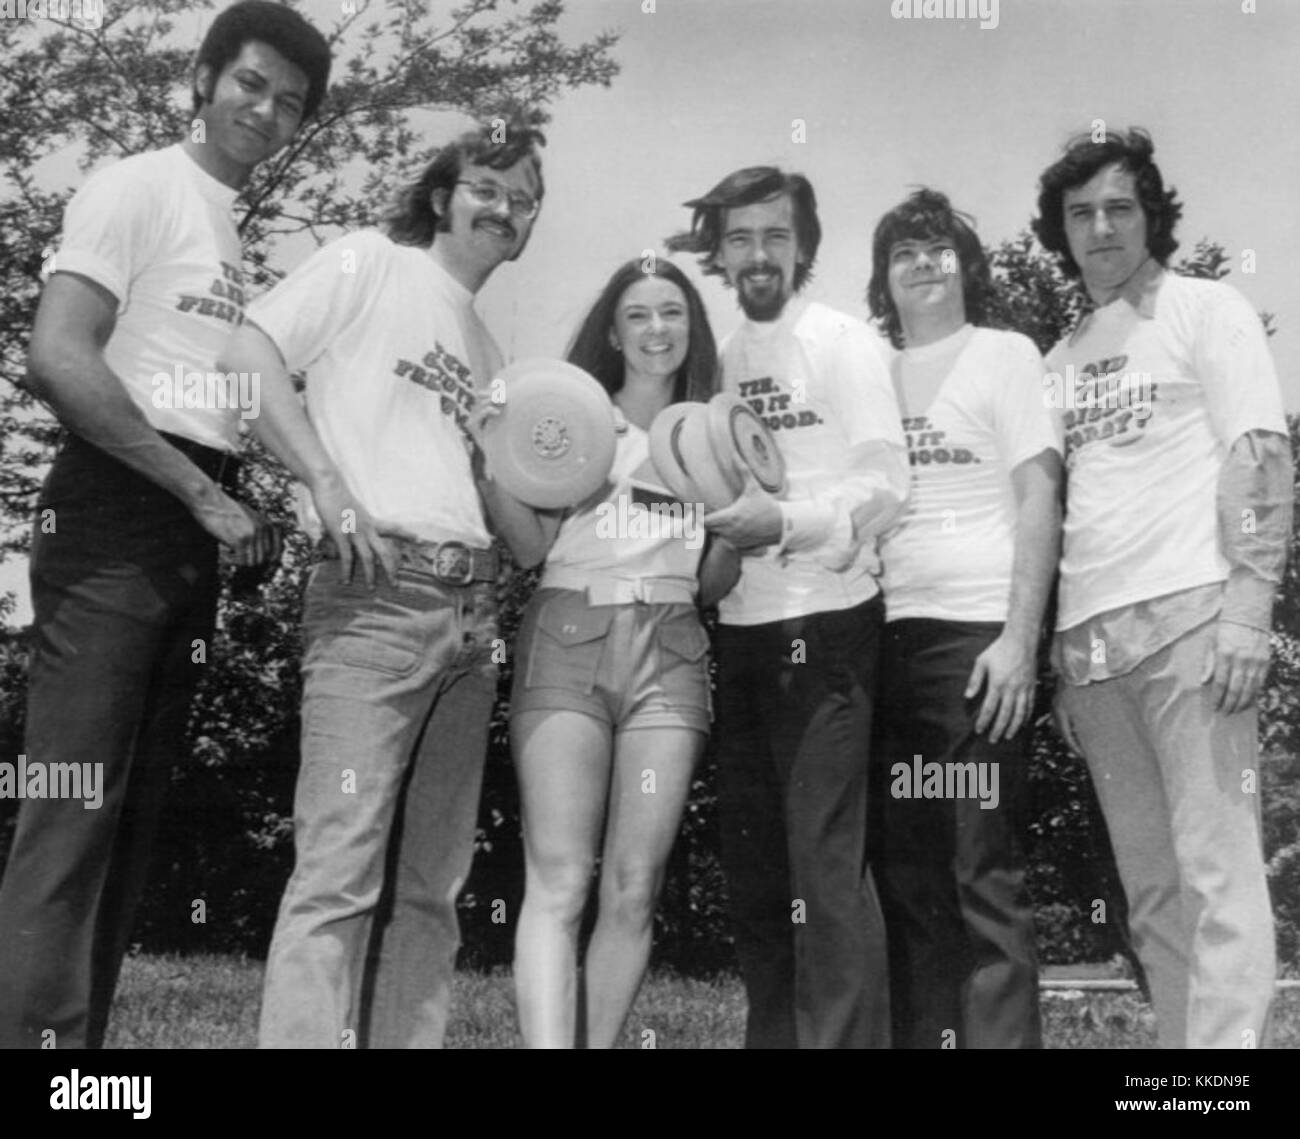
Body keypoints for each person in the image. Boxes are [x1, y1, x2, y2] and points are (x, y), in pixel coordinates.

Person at [0, 1, 329, 1050]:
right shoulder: (137, 184)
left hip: (189, 524)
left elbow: (206, 395)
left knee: (126, 832)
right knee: (69, 823)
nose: (265, 110)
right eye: (250, 83)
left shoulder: (228, 227)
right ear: (202, 76)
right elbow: (60, 354)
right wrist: (197, 493)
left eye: (289, 102)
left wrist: (248, 497)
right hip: (116, 517)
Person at [216, 116, 547, 1048]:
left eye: (525, 201)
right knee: (339, 872)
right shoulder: (369, 261)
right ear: (443, 194)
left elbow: (525, 541)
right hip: (374, 594)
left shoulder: (491, 355)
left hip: (472, 612)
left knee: (433, 891)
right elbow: (244, 360)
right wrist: (326, 485)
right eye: (490, 185)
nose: (506, 208)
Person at [1035, 128, 1293, 1049]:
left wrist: (1248, 611)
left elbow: (1259, 457)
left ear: (1151, 216)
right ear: (1059, 230)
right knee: (1151, 891)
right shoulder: (1057, 362)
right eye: (1080, 213)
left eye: (1118, 207)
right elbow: (1061, 520)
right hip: (1094, 655)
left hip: (1195, 626)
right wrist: (1065, 664)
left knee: (1217, 874)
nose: (1100, 227)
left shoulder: (1202, 308)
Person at [666, 167, 909, 1048]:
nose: (758, 254)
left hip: (831, 624)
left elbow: (888, 486)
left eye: (775, 235)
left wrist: (789, 521)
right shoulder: (718, 359)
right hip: (740, 632)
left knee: (826, 867)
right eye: (740, 238)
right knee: (760, 874)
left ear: (803, 245)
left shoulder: (844, 342)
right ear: (720, 252)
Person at [503, 257, 723, 1048]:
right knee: (560, 879)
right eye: (638, 314)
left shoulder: (711, 431)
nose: (656, 329)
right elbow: (528, 546)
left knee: (634, 885)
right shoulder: (569, 417)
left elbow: (714, 581)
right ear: (612, 330)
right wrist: (491, 453)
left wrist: (735, 511)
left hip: (670, 646)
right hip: (569, 636)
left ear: (692, 327)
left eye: (672, 312)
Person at [865, 189, 1061, 1048]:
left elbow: (1040, 494)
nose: (921, 263)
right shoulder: (867, 370)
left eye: (938, 248)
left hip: (974, 645)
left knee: (978, 864)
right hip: (880, 644)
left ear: (966, 267)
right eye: (903, 252)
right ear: (884, 277)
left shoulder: (1005, 355)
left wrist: (1020, 640)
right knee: (907, 873)